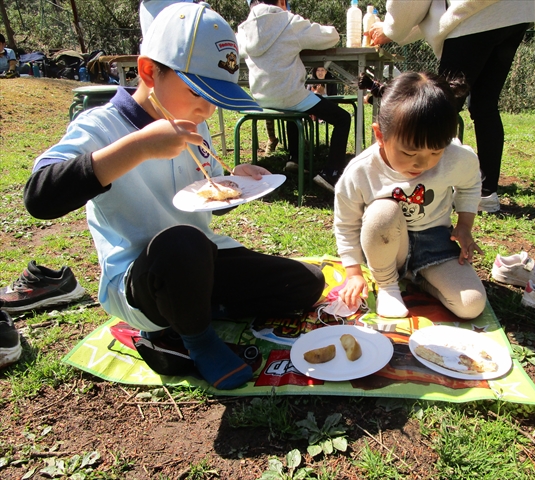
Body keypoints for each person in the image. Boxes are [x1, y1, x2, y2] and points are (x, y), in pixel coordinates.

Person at [23, 3, 324, 390]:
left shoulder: (193, 124)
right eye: (198, 91)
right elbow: (39, 197)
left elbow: (205, 192)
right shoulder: (101, 126)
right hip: (143, 276)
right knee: (182, 244)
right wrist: (138, 148)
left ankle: (191, 309)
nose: (208, 107)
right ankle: (195, 339)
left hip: (203, 258)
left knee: (305, 283)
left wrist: (235, 181)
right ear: (149, 70)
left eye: (217, 95)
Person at [334, 71, 486, 319]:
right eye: (410, 153)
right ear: (380, 136)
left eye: (436, 151)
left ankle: (418, 279)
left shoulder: (457, 156)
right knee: (383, 212)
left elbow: (470, 182)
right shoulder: (361, 171)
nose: (423, 164)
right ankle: (388, 285)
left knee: (471, 305)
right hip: (387, 248)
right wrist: (353, 274)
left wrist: (465, 224)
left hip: (435, 244)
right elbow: (345, 224)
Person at [369, 0, 535, 213]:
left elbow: (411, 4)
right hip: (515, 12)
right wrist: (396, 31)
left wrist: (392, 28)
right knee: (485, 106)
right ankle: (486, 194)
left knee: (441, 107)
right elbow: (429, 14)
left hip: (473, 15)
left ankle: (430, 186)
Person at [238, 0, 352, 193]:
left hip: (260, 97)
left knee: (291, 107)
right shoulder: (289, 21)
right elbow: (331, 36)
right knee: (343, 118)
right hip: (290, 95)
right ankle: (331, 173)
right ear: (282, 2)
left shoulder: (243, 29)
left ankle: (294, 158)